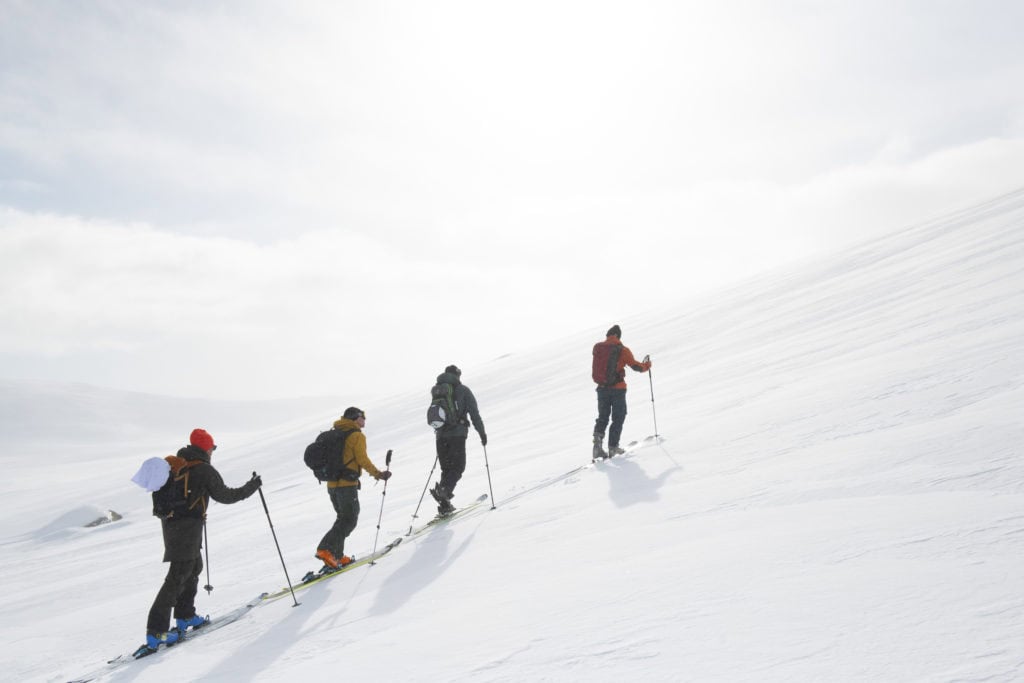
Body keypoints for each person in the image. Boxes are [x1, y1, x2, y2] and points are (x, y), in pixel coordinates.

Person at [145, 428, 262, 651]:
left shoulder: (178, 466)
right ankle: (156, 631)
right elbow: (226, 496)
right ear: (205, 448)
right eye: (212, 447)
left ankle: (185, 615)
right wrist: (252, 486)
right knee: (177, 577)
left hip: (172, 528)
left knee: (193, 567)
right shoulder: (203, 469)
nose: (212, 451)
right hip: (187, 529)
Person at [315, 406, 391, 570]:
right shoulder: (356, 435)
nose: (364, 420)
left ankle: (337, 556)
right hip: (346, 485)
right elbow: (362, 459)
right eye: (363, 417)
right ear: (356, 418)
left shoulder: (335, 433)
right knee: (349, 520)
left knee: (342, 518)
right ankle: (325, 549)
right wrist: (378, 474)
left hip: (332, 485)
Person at [429, 365, 487, 515]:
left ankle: (444, 503)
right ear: (457, 375)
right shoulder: (463, 390)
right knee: (458, 467)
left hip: (440, 436)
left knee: (447, 469)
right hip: (457, 434)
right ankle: (444, 492)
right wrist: (482, 433)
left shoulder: (437, 391)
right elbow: (474, 413)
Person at [592, 324, 651, 459]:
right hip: (618, 389)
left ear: (608, 335)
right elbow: (637, 367)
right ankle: (613, 447)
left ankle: (597, 448)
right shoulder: (622, 350)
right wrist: (647, 365)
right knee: (618, 417)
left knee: (602, 417)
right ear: (618, 336)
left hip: (601, 388)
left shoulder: (598, 348)